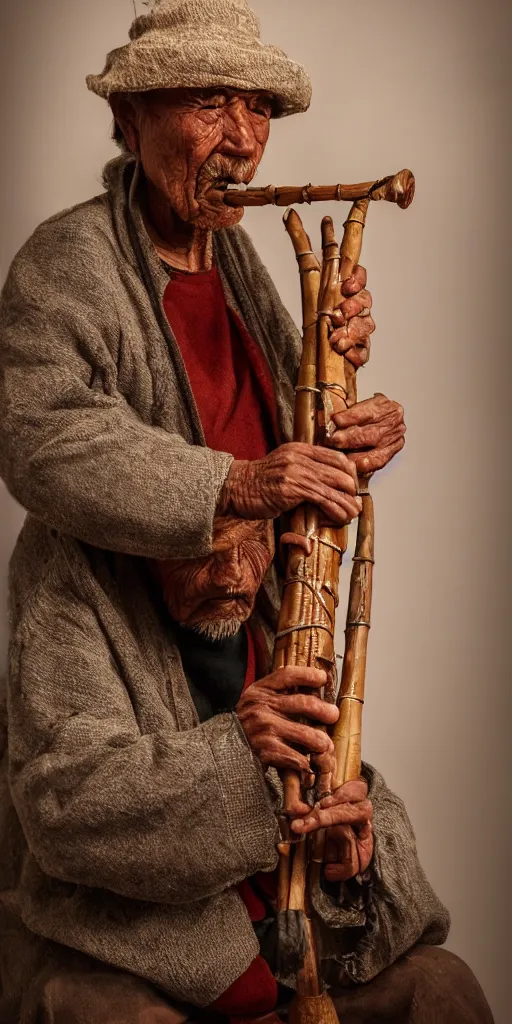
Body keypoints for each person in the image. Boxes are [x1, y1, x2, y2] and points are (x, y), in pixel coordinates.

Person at [0, 0, 493, 1021]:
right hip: (151, 825)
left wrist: (350, 418)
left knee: (439, 987)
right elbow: (42, 436)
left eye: (258, 106)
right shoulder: (65, 263)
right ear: (128, 119)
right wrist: (240, 485)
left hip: (254, 663)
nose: (244, 136)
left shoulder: (235, 268)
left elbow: (287, 460)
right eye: (210, 101)